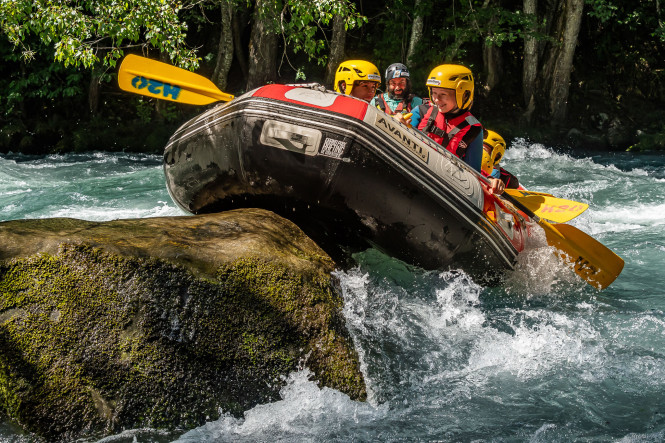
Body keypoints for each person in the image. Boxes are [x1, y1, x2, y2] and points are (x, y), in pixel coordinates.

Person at [410, 64, 503, 194]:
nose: (437, 99)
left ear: (464, 95)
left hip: (443, 184)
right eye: (434, 93)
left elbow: (473, 175)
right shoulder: (421, 111)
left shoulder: (474, 130)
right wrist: (398, 121)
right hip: (413, 169)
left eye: (443, 94)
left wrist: (490, 181)